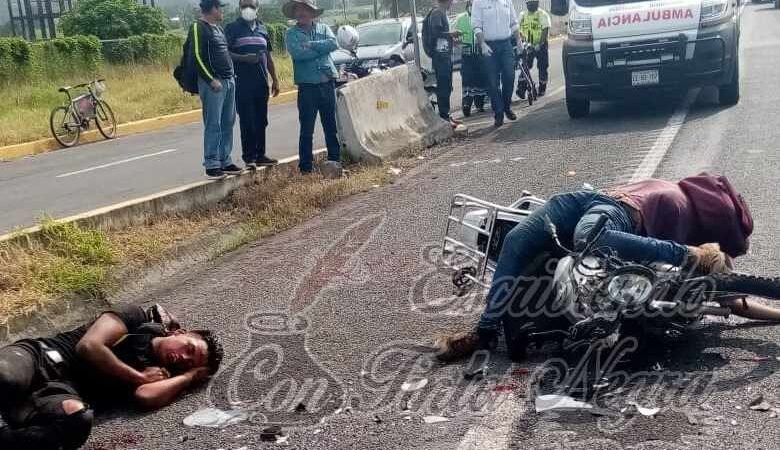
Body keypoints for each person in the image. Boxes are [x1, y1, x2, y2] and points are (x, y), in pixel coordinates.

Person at [436, 173, 780, 361]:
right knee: (586, 239)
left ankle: (486, 331)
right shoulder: (678, 208)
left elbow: (734, 298)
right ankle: (484, 332)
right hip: (603, 210)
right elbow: (731, 301)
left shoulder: (679, 197)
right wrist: (688, 254)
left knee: (523, 245)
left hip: (584, 206)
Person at [0, 304, 223, 449]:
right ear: (180, 333)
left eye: (189, 362)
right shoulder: (135, 318)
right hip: (41, 355)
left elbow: (145, 397)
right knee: (6, 376)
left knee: (76, 420)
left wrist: (189, 376)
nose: (183, 357)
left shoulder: (162, 374)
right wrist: (138, 376)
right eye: (189, 349)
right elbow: (89, 346)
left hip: (58, 393)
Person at [284, 0, 341, 175]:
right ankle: (306, 168)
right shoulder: (291, 34)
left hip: (326, 83)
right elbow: (298, 54)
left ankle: (335, 161)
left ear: (312, 12)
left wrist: (312, 44)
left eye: (305, 9)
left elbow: (334, 44)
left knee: (331, 126)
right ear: (295, 13)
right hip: (307, 87)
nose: (302, 13)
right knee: (307, 129)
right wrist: (321, 48)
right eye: (299, 10)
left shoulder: (323, 28)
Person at [225, 0, 281, 169]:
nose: (247, 9)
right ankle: (249, 157)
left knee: (261, 120)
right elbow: (224, 52)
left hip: (261, 81)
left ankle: (260, 155)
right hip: (242, 82)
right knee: (247, 121)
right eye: (244, 6)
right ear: (239, 8)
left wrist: (275, 79)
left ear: (257, 8)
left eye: (251, 6)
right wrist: (243, 58)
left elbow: (268, 57)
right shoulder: (232, 28)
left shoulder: (263, 29)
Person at [192, 0, 244, 179]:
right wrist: (210, 79)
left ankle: (225, 160)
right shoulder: (198, 28)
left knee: (228, 122)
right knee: (214, 123)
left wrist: (232, 75)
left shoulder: (218, 29)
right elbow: (197, 56)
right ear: (213, 9)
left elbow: (225, 53)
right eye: (220, 8)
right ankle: (212, 163)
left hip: (229, 81)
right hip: (213, 83)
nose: (222, 12)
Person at [471, 0, 521, 128]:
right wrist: (482, 43)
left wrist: (518, 40)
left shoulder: (506, 1)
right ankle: (499, 113)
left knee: (509, 76)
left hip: (506, 44)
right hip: (488, 45)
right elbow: (476, 25)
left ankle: (506, 107)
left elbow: (514, 23)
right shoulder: (478, 2)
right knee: (492, 82)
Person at [424, 0, 462, 128]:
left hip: (444, 55)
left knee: (447, 85)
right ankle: (444, 117)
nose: (452, 3)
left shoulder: (442, 13)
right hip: (440, 57)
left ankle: (446, 115)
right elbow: (436, 34)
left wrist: (452, 40)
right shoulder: (437, 13)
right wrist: (451, 34)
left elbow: (441, 36)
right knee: (443, 86)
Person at [455, 0, 489, 117]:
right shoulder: (461, 19)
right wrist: (459, 44)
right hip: (467, 54)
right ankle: (467, 104)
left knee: (480, 79)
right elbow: (454, 36)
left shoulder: (483, 17)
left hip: (480, 54)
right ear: (467, 7)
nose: (471, 7)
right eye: (470, 5)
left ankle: (479, 104)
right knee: (467, 79)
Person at [517, 0, 551, 97]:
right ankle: (521, 88)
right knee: (526, 66)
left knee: (543, 67)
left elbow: (545, 29)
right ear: (527, 4)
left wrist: (539, 44)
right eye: (530, 3)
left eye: (534, 2)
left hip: (541, 45)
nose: (532, 5)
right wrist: (522, 40)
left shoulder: (542, 14)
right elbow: (517, 28)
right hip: (527, 46)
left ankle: (542, 88)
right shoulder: (522, 15)